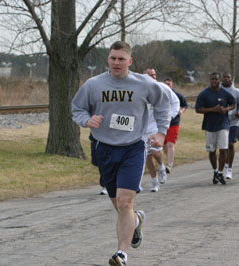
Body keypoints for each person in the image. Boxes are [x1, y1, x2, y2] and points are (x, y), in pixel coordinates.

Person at [72, 41, 171, 265]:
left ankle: (121, 254)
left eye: (121, 59)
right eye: (113, 58)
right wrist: (87, 120)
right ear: (108, 59)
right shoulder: (93, 84)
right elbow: (77, 108)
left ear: (130, 61)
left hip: (133, 148)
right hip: (104, 148)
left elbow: (163, 105)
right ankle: (136, 221)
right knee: (119, 205)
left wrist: (162, 133)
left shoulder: (144, 83)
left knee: (125, 203)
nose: (116, 63)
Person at [195, 72, 235, 185]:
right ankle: (215, 171)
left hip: (223, 124)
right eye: (212, 79)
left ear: (219, 81)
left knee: (223, 149)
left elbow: (233, 104)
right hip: (209, 126)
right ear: (209, 80)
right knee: (212, 151)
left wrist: (226, 110)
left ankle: (221, 173)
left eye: (216, 79)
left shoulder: (225, 93)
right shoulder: (204, 94)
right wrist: (212, 109)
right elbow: (198, 109)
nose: (214, 81)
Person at [144, 68, 179, 192]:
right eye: (149, 75)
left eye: (154, 75)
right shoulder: (140, 88)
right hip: (142, 128)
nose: (152, 77)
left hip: (156, 126)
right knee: (147, 156)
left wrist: (169, 117)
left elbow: (175, 102)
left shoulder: (163, 87)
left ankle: (161, 166)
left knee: (155, 152)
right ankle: (154, 182)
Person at [221, 72, 239, 180]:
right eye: (224, 77)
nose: (226, 79)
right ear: (221, 79)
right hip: (221, 122)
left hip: (233, 122)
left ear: (231, 79)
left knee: (231, 144)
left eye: (228, 77)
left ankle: (229, 169)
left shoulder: (237, 92)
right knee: (223, 147)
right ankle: (223, 166)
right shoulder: (218, 91)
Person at [163, 77, 188, 173]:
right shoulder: (159, 95)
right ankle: (169, 159)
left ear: (172, 85)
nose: (167, 86)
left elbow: (185, 105)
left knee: (170, 144)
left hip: (174, 123)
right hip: (162, 123)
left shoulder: (177, 95)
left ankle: (169, 165)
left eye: (168, 84)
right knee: (163, 145)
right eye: (165, 84)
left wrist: (181, 111)